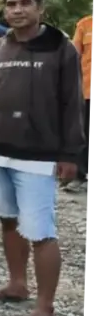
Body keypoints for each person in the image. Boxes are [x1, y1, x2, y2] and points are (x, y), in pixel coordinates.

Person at [0, 0, 85, 316]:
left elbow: (73, 104)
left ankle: (45, 309)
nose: (17, 10)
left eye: (25, 3)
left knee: (41, 233)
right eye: (11, 4)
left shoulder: (59, 48)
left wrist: (71, 154)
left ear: (40, 7)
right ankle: (17, 285)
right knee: (8, 220)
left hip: (38, 157)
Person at [70, 13, 93, 191]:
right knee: (84, 133)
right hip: (87, 89)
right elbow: (73, 57)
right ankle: (80, 175)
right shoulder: (85, 24)